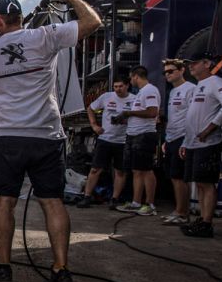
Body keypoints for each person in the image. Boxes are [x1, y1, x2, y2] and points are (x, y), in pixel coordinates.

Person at [0, 0, 101, 282]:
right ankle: (61, 270)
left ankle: (4, 269)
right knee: (52, 202)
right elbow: (93, 22)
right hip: (46, 136)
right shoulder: (46, 36)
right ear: (19, 18)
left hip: (7, 136)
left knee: (5, 201)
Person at [179, 51, 222, 238]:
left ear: (206, 63)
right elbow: (192, 116)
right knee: (200, 184)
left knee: (207, 183)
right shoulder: (198, 86)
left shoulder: (217, 83)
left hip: (208, 143)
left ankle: (207, 223)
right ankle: (202, 220)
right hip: (194, 144)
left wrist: (210, 129)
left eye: (194, 63)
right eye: (189, 64)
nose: (190, 67)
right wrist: (186, 142)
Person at [76, 76, 134, 209]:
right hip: (105, 139)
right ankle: (87, 197)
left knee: (120, 172)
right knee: (95, 169)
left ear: (127, 86)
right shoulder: (107, 97)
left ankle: (114, 199)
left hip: (123, 141)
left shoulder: (134, 99)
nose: (118, 89)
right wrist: (94, 125)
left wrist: (126, 121)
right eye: (115, 87)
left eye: (120, 86)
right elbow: (90, 108)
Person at [115, 66, 161, 216]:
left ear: (135, 76)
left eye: (131, 77)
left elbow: (152, 112)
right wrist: (127, 119)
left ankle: (150, 203)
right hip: (135, 134)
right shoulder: (142, 92)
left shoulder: (149, 90)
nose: (131, 80)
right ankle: (136, 202)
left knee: (146, 170)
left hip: (144, 135)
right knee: (136, 170)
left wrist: (129, 112)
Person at [160, 59, 195, 225]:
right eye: (165, 72)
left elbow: (192, 117)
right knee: (174, 177)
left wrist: (186, 141)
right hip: (172, 138)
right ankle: (179, 210)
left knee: (179, 177)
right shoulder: (173, 92)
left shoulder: (190, 90)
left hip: (183, 137)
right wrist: (167, 139)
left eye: (171, 71)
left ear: (182, 70)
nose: (167, 74)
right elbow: (173, 118)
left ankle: (182, 213)